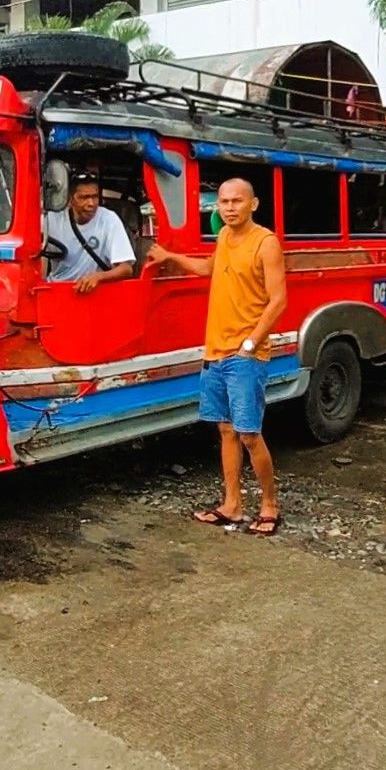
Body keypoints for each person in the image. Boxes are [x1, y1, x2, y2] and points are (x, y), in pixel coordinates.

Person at [147, 178, 288, 536]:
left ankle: (270, 505)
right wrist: (169, 257)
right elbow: (208, 269)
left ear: (253, 204)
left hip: (245, 355)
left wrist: (251, 343)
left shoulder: (266, 242)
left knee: (249, 434)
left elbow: (278, 301)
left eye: (237, 201)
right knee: (225, 430)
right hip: (215, 352)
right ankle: (233, 505)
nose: (228, 207)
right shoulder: (224, 237)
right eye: (223, 202)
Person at [43, 175, 136, 293]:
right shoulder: (51, 219)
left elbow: (126, 269)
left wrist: (98, 277)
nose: (91, 203)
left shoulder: (109, 219)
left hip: (92, 293)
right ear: (70, 199)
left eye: (95, 197)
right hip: (57, 290)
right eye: (84, 197)